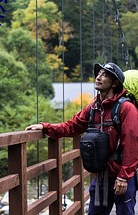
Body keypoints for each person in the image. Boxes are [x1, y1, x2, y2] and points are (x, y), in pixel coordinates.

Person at [25, 62, 138, 215]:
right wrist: (45, 127)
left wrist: (124, 177)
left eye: (104, 75)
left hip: (121, 176)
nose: (98, 77)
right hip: (101, 176)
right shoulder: (93, 108)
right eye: (98, 74)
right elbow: (72, 126)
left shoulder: (126, 108)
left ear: (115, 83)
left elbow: (132, 143)